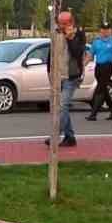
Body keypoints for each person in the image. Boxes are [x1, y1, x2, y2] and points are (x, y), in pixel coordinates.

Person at [46, 11, 88, 148]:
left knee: (63, 106)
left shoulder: (79, 35)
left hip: (71, 76)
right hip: (57, 75)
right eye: (60, 23)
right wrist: (49, 72)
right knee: (60, 107)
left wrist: (70, 39)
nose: (62, 26)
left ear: (71, 22)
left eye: (64, 23)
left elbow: (78, 53)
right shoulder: (56, 34)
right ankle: (70, 137)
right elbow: (51, 54)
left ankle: (56, 135)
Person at [86, 22, 112, 121]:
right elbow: (90, 55)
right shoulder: (96, 42)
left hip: (107, 67)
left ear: (110, 30)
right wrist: (83, 65)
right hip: (98, 67)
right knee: (104, 90)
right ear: (100, 30)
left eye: (107, 29)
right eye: (103, 29)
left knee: (100, 89)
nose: (105, 31)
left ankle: (93, 114)